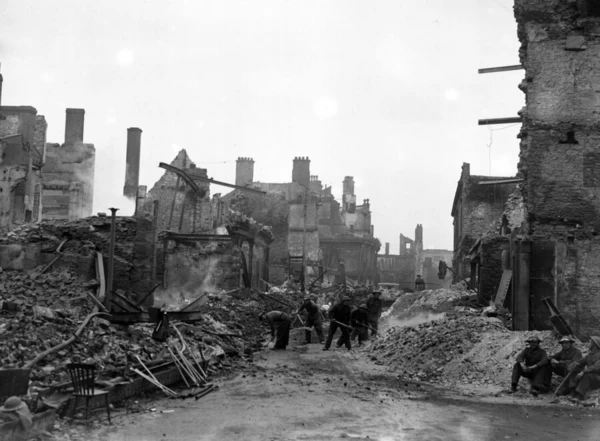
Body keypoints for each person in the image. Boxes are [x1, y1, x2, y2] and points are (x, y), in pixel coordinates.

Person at [568, 336, 600, 401]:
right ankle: (573, 392)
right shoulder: (589, 355)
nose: (588, 344)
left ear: (594, 344)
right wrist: (574, 364)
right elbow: (581, 361)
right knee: (574, 370)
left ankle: (580, 396)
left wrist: (583, 371)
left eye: (589, 342)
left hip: (597, 378)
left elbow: (596, 367)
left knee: (587, 375)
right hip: (590, 376)